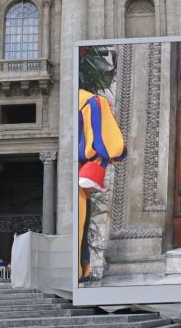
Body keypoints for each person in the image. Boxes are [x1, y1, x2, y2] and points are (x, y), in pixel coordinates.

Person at [78, 88, 126, 282]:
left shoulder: (87, 101)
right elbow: (112, 146)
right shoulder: (87, 100)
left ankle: (81, 272)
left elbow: (111, 147)